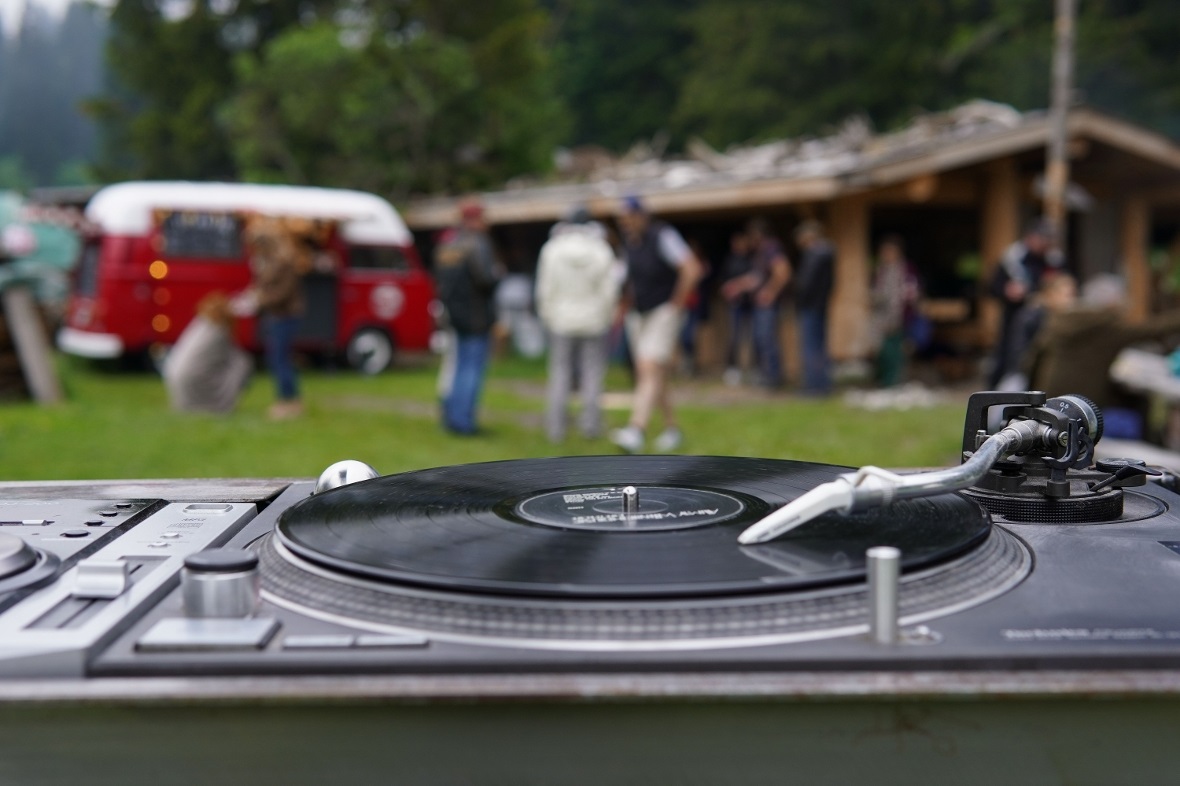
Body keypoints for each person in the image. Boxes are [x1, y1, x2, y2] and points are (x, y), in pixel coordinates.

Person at [610, 196, 704, 454]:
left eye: (629, 217)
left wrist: (677, 303)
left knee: (647, 366)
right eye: (622, 219)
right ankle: (672, 429)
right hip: (639, 313)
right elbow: (626, 279)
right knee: (654, 373)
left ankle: (636, 429)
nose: (625, 223)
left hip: (662, 310)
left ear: (641, 215)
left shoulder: (662, 235)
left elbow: (691, 268)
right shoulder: (629, 243)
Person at [1023, 273, 1180, 411]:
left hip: (1047, 392)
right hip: (1079, 401)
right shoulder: (1108, 329)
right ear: (1112, 303)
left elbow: (1034, 358)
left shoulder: (1063, 319)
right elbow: (1152, 329)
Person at [534, 206, 622, 443]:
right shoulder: (601, 250)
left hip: (561, 320)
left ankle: (556, 428)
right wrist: (607, 316)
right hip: (594, 320)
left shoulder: (552, 250)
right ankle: (590, 426)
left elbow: (545, 288)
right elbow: (609, 290)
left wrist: (548, 315)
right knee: (592, 373)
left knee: (559, 373)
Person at [433, 198, 503, 436]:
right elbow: (486, 279)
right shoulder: (477, 244)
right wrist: (498, 275)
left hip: (455, 315)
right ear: (474, 219)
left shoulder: (448, 244)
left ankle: (452, 416)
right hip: (477, 316)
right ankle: (464, 422)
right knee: (471, 369)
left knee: (458, 366)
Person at [236, 215, 307, 420]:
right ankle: (287, 399)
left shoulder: (285, 261)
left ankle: (289, 402)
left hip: (285, 315)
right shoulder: (267, 261)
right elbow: (263, 286)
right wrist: (250, 297)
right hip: (276, 314)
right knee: (276, 358)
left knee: (281, 359)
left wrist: (257, 302)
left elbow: (282, 293)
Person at [987, 218, 1064, 388]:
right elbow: (991, 287)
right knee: (1009, 359)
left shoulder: (1054, 261)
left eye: (1048, 239)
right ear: (1030, 237)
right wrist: (1007, 291)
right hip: (1014, 318)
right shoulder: (1012, 259)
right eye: (1042, 238)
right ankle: (995, 397)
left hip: (1045, 319)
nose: (1044, 243)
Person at [720, 218, 790, 389]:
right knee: (762, 339)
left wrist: (770, 292)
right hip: (760, 306)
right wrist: (737, 285)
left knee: (767, 340)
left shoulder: (771, 248)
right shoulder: (761, 252)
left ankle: (773, 379)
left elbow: (783, 271)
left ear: (758, 234)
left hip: (767, 306)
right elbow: (756, 278)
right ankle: (769, 377)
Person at [163, 292, 253, 414]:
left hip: (174, 380)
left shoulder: (200, 324)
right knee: (243, 363)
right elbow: (235, 358)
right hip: (192, 381)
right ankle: (221, 404)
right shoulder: (219, 331)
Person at [869, 235, 921, 388]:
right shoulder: (880, 270)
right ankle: (884, 382)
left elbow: (911, 292)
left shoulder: (906, 269)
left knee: (896, 352)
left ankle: (893, 383)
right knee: (883, 352)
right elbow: (876, 292)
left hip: (900, 317)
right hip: (881, 318)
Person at [793, 219, 835, 395]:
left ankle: (814, 387)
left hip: (811, 306)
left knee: (811, 347)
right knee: (819, 346)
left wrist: (797, 296)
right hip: (821, 305)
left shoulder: (815, 254)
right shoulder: (827, 253)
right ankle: (822, 385)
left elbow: (806, 284)